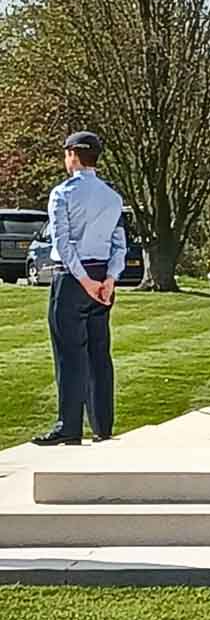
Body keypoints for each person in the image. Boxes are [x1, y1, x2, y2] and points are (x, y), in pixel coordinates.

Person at [33, 131, 126, 446]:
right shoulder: (112, 197)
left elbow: (62, 241)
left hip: (74, 278)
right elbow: (119, 243)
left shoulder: (62, 194)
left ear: (72, 154)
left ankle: (69, 426)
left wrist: (84, 281)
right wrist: (109, 280)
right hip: (103, 278)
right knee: (100, 353)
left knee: (69, 354)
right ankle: (103, 424)